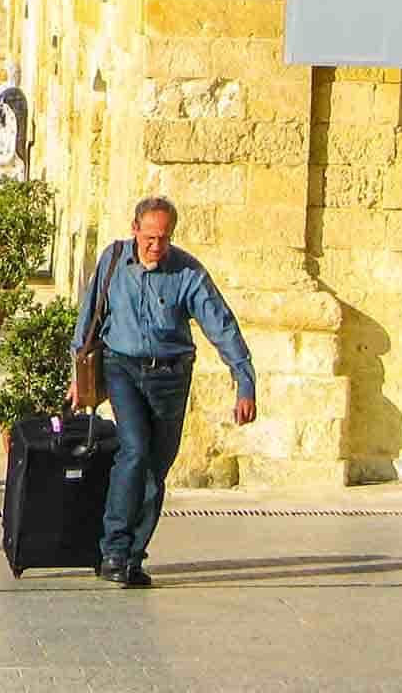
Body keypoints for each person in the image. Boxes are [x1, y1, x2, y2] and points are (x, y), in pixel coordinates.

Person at [70, 196, 257, 588]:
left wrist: (244, 381)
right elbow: (89, 315)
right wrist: (78, 371)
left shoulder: (188, 273)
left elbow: (221, 325)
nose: (156, 246)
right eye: (150, 237)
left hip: (170, 376)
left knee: (156, 468)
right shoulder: (113, 260)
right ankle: (113, 549)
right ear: (134, 228)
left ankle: (132, 558)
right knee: (134, 450)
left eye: (164, 238)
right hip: (121, 367)